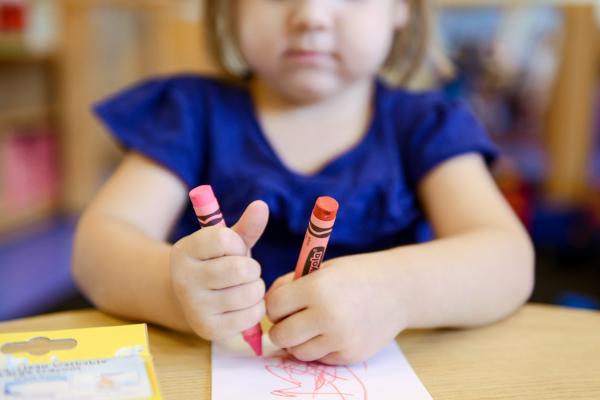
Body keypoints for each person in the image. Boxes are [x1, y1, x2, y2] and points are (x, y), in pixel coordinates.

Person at [73, 0, 534, 365]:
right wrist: (175, 289)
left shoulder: (427, 125)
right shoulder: (186, 112)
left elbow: (510, 261)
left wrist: (398, 291)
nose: (310, 15)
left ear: (402, 7)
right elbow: (96, 248)